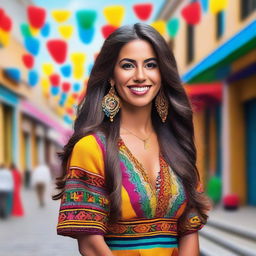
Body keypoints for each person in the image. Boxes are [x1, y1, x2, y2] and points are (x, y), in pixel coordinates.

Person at [54, 23, 210, 256]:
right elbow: (90, 245)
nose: (140, 76)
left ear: (162, 74)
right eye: (128, 65)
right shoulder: (91, 148)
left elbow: (189, 230)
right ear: (111, 77)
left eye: (151, 65)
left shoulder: (178, 145)